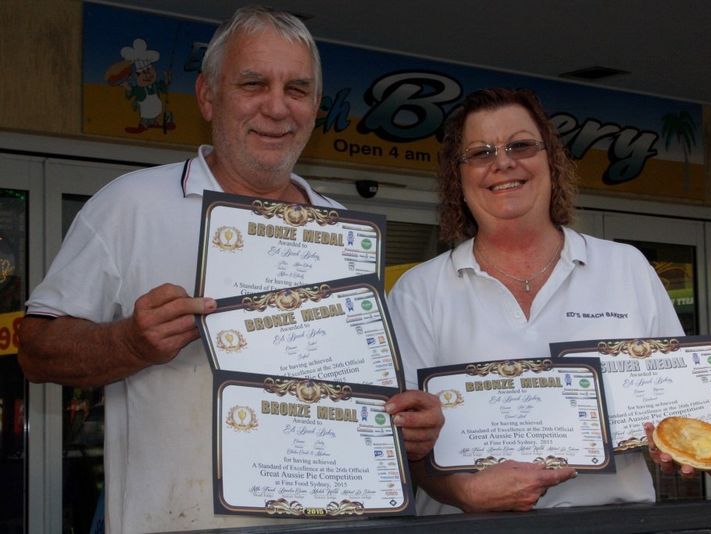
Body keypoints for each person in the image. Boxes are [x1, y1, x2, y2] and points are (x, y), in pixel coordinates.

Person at [18, 6, 441, 532]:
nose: (277, 107)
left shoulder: (345, 235)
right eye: (253, 83)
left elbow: (371, 391)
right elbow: (35, 350)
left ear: (315, 107)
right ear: (207, 96)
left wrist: (409, 423)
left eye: (297, 89)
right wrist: (129, 342)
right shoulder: (131, 205)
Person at [387, 87, 711, 515]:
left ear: (552, 159)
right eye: (480, 152)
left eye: (520, 145)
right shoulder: (418, 290)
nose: (503, 162)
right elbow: (403, 435)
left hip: (614, 524)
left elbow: (681, 405)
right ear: (458, 177)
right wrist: (465, 493)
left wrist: (702, 435)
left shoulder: (626, 267)